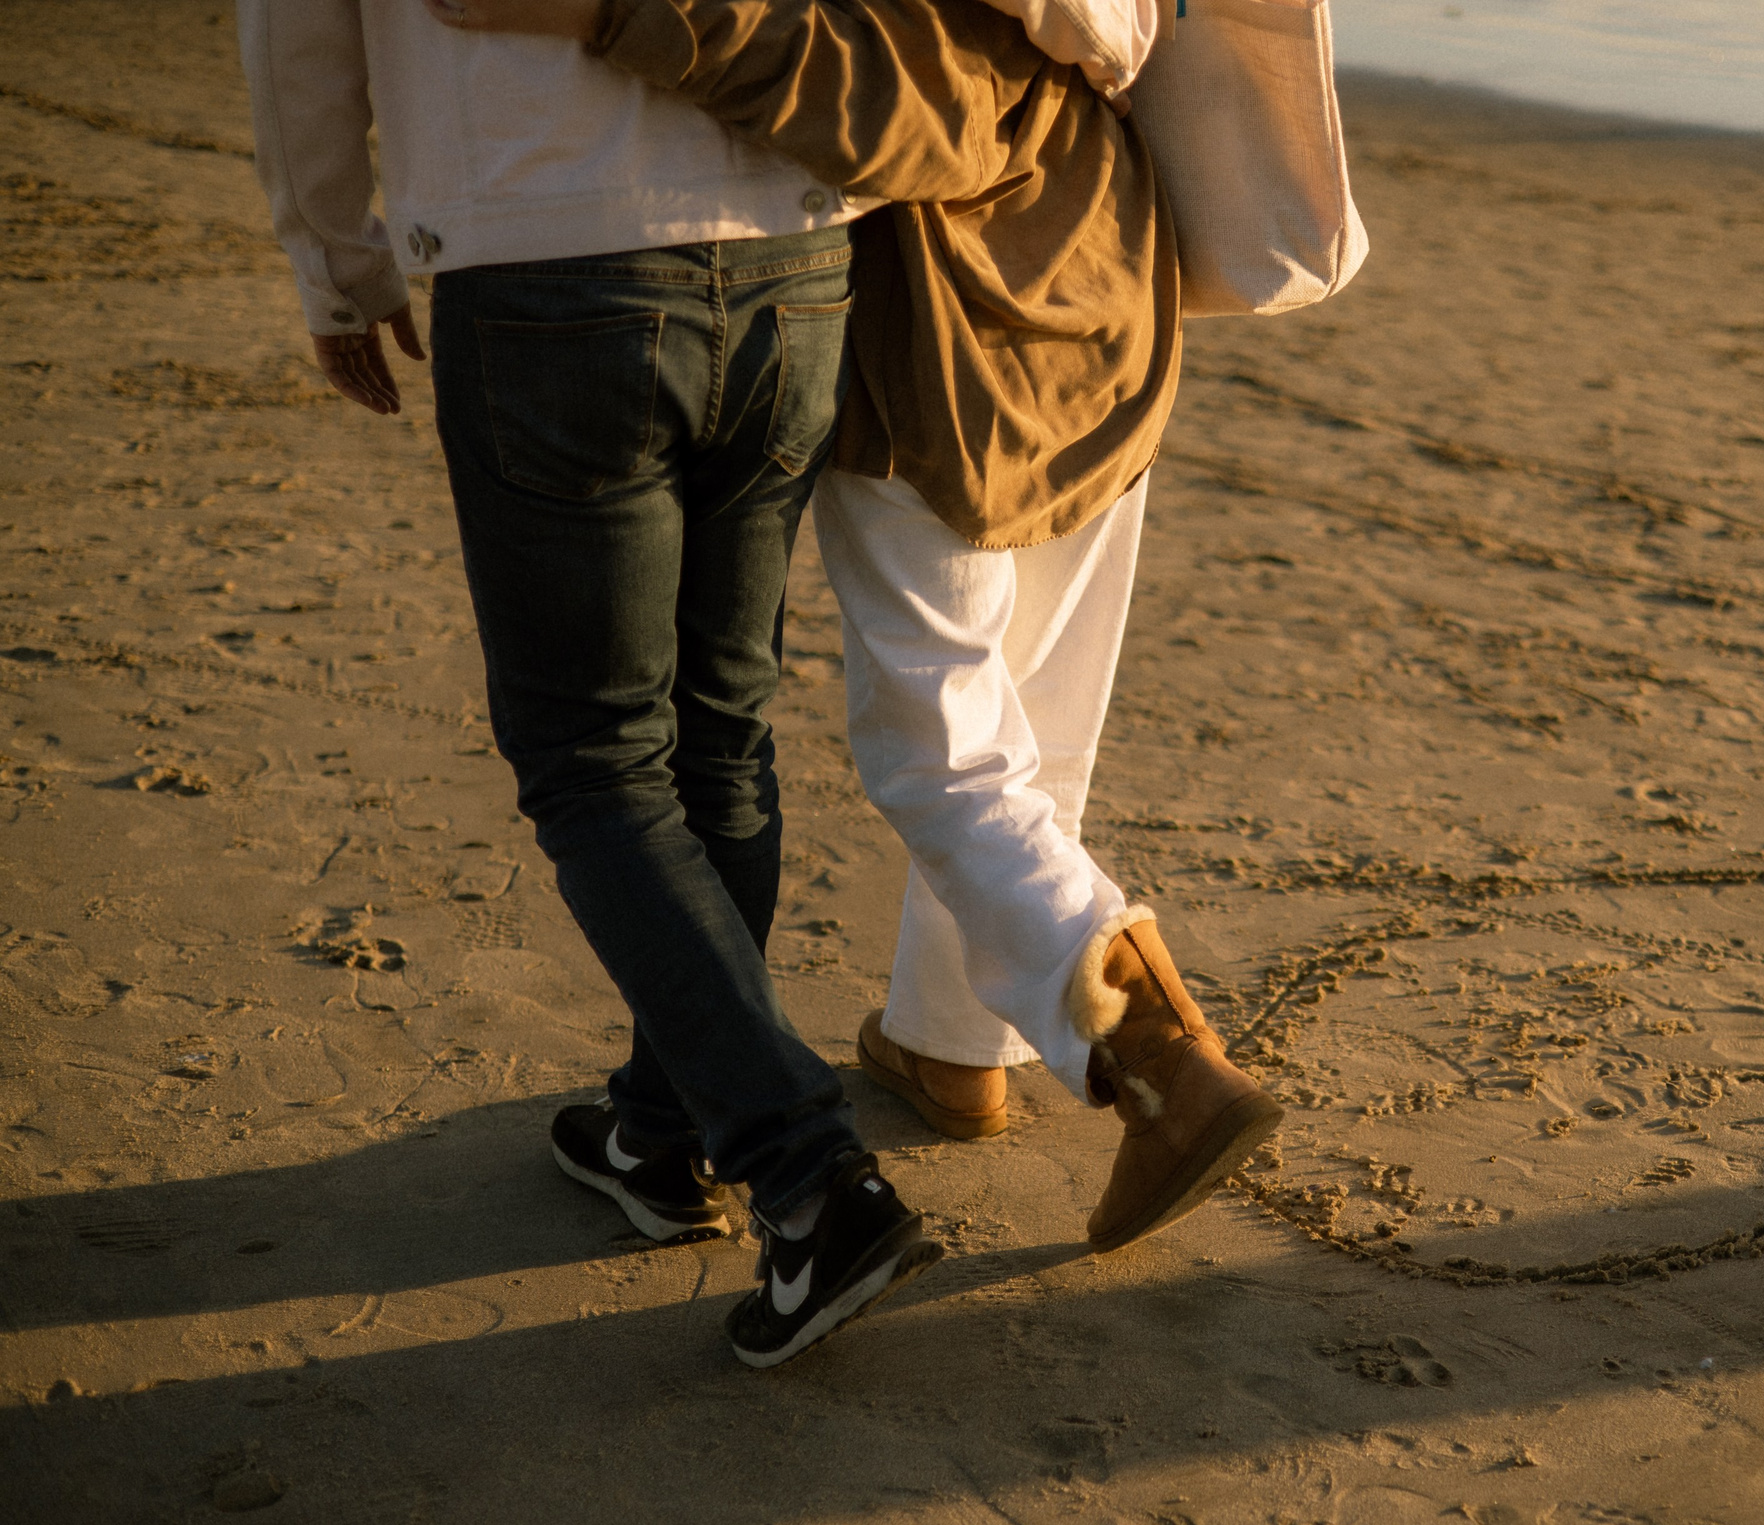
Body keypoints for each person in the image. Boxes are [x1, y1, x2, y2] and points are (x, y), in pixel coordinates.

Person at [431, 0, 1287, 1256]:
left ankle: (1163, 1060)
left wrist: (622, 12)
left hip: (952, 341)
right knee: (1036, 711)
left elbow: (890, 102)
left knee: (940, 748)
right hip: (1099, 288)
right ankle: (952, 1047)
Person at [239, 0, 942, 1367]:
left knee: (598, 760)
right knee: (717, 733)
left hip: (551, 263)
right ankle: (660, 1129)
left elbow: (297, 38)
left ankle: (809, 1181)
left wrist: (337, 265)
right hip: (794, 250)